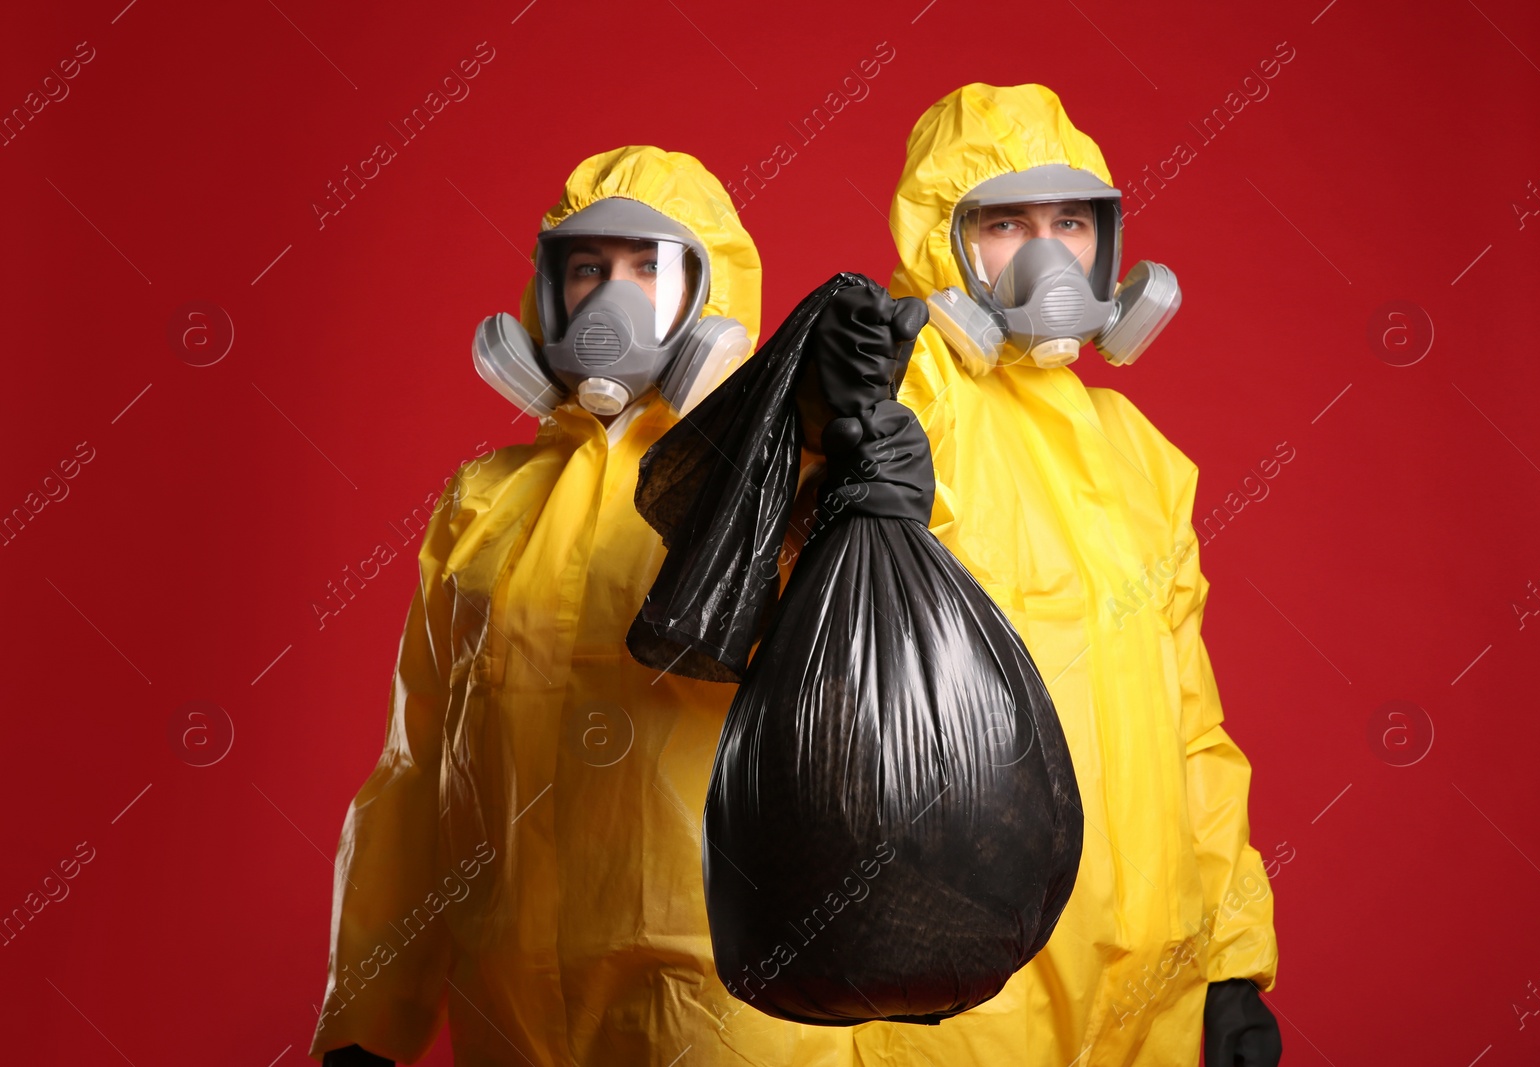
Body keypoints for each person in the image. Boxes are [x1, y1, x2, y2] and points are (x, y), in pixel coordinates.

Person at [308, 146, 856, 1066]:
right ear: (546, 297)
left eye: (651, 269)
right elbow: (414, 777)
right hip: (513, 1009)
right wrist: (370, 1015)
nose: (615, 299)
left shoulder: (773, 492)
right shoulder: (481, 505)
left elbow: (859, 731)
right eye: (589, 269)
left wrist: (847, 475)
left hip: (720, 1010)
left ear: (712, 305)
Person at [816, 83, 1282, 1065]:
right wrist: (832, 429)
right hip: (964, 972)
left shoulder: (1139, 457)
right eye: (1004, 224)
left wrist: (1232, 960)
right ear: (944, 242)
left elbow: (1192, 726)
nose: (1047, 255)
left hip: (1150, 967)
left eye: (1071, 221)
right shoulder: (900, 402)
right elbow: (794, 635)